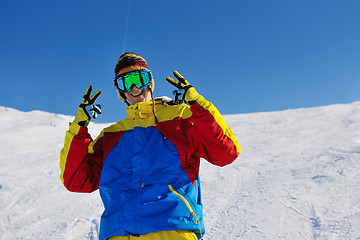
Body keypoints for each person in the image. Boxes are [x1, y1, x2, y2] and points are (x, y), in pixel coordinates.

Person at [60, 52, 241, 240]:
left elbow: (226, 152)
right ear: (120, 91)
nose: (134, 87)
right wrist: (78, 128)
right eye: (125, 82)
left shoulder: (180, 119)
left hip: (172, 229)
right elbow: (75, 180)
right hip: (119, 233)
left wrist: (197, 105)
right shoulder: (110, 136)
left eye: (139, 78)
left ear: (150, 82)